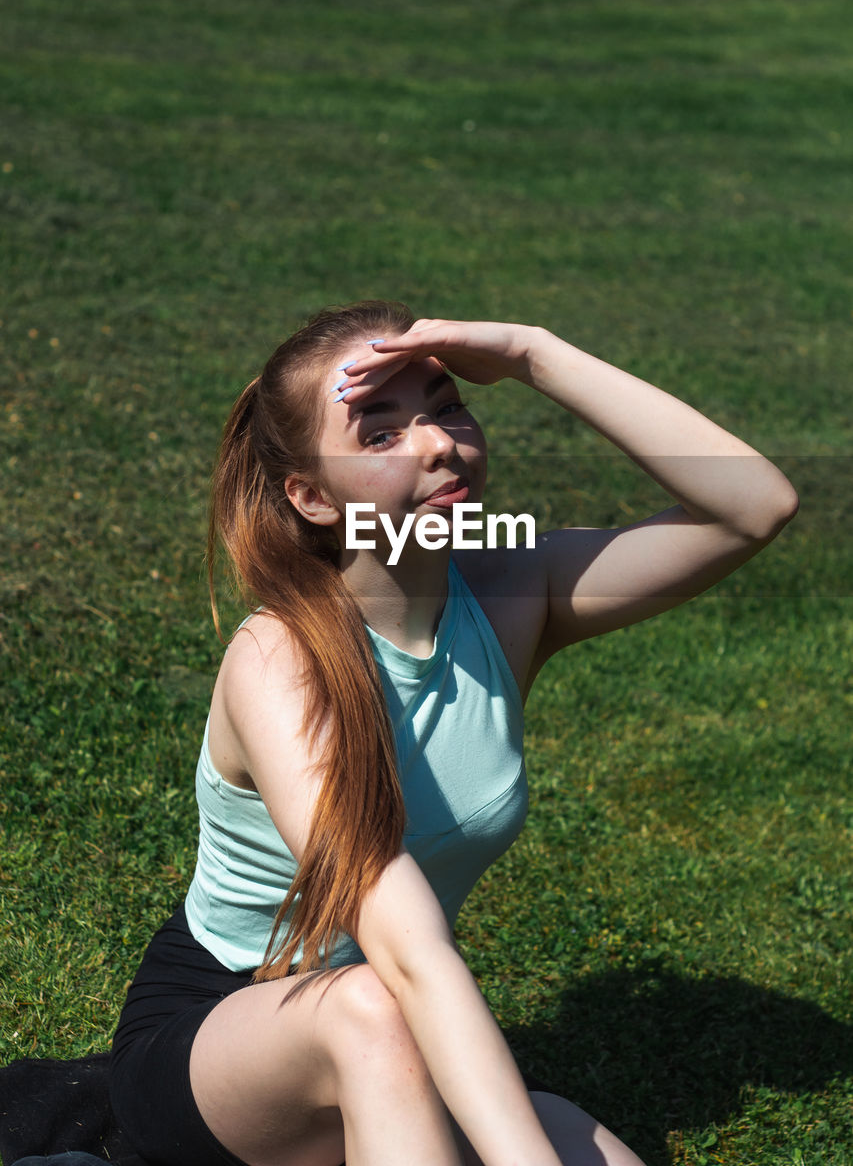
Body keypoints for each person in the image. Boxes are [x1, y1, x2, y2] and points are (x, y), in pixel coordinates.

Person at [108, 299, 798, 1166]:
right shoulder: (278, 659)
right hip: (228, 1036)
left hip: (403, 1031)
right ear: (312, 497)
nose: (435, 443)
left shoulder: (514, 593)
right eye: (381, 432)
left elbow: (753, 507)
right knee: (369, 1009)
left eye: (446, 406)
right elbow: (406, 950)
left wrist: (532, 354)